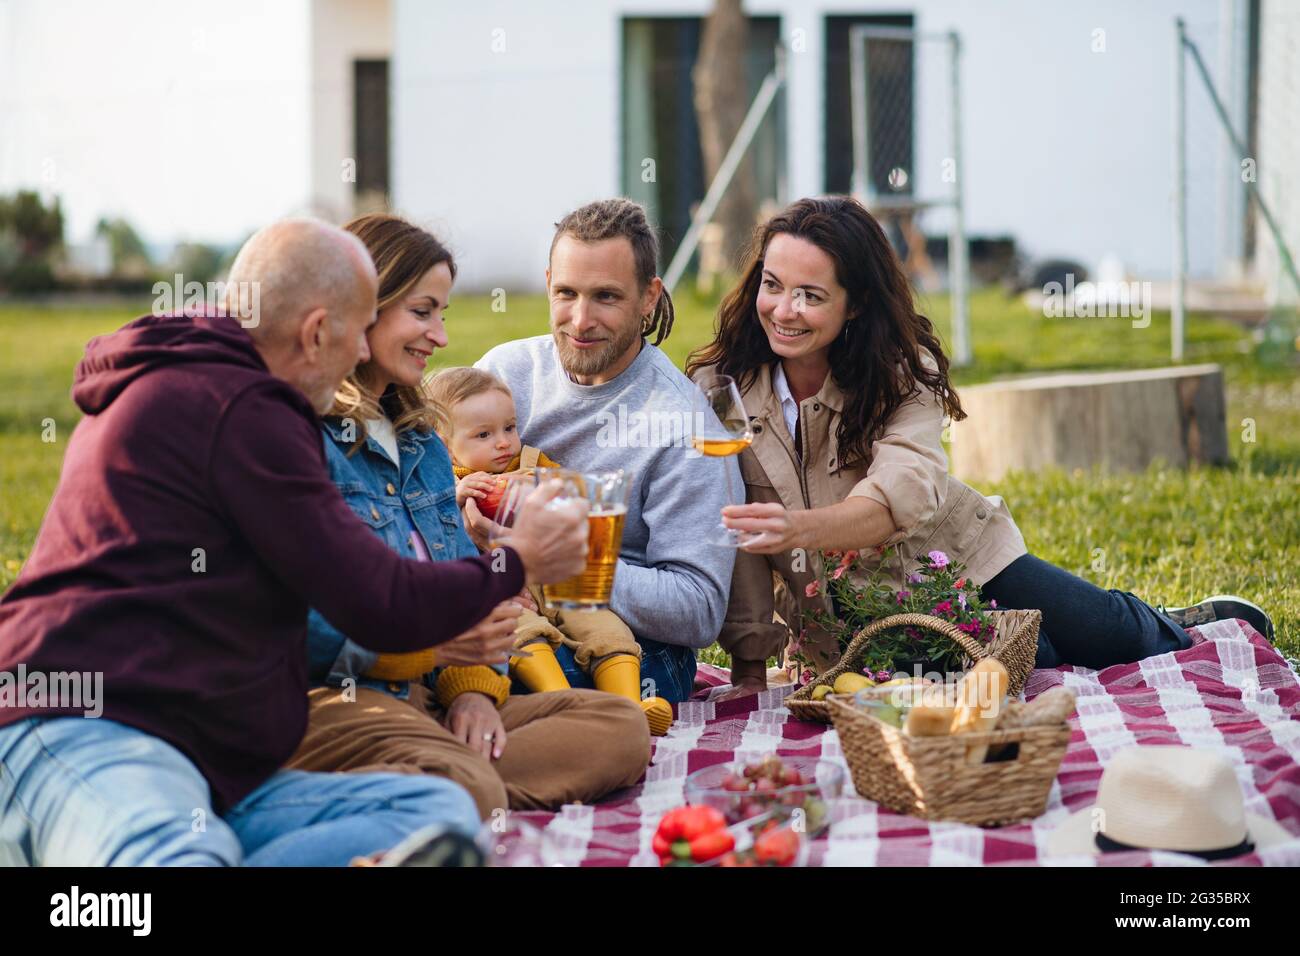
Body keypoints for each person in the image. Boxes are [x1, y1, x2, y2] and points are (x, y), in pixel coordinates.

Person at [0, 219, 589, 866]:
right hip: (90, 726)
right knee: (172, 857)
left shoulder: (221, 390)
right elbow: (377, 599)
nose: (363, 355)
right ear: (315, 332)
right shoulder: (240, 403)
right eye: (361, 331)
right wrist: (517, 560)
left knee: (435, 813)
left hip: (211, 767)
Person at [686, 197, 1273, 699]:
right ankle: (1032, 641)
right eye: (772, 285)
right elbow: (731, 534)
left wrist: (796, 528)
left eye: (810, 296)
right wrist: (751, 664)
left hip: (956, 557)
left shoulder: (899, 374)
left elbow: (899, 499)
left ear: (856, 303)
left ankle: (1168, 622)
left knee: (1111, 637)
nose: (783, 311)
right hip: (848, 619)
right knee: (1018, 657)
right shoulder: (722, 388)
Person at [286, 214, 652, 815]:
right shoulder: (305, 440)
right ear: (363, 307)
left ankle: (428, 779)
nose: (440, 336)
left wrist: (475, 693)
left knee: (619, 726)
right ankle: (436, 783)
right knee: (472, 780)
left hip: (426, 698)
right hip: (338, 699)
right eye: (423, 312)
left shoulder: (425, 444)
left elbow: (469, 597)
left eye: (443, 314)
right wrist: (434, 653)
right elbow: (308, 627)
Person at [474, 198, 739, 705]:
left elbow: (699, 608)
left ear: (649, 297)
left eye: (606, 297)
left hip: (630, 647)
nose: (581, 319)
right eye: (566, 293)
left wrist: (559, 561)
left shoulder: (682, 424)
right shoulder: (504, 374)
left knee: (503, 692)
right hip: (508, 611)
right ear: (549, 281)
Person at [430, 365, 674, 736]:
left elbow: (583, 505)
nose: (503, 442)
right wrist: (453, 499)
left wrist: (548, 488)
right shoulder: (443, 483)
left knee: (604, 625)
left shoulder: (532, 465)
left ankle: (629, 707)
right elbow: (428, 536)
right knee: (519, 631)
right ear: (443, 444)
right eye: (483, 434)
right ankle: (560, 702)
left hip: (558, 585)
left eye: (509, 428)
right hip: (501, 597)